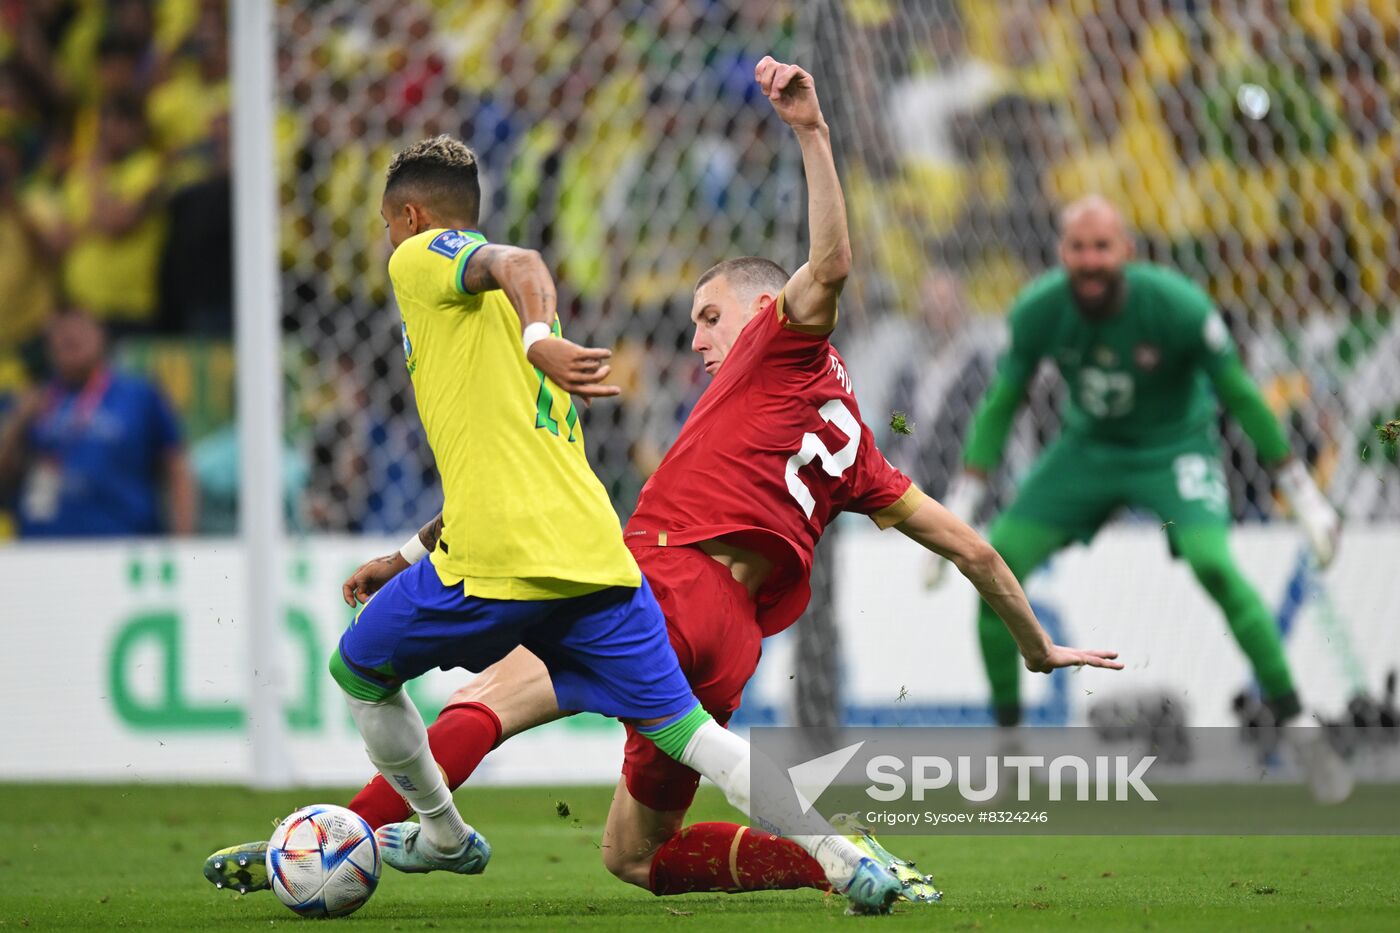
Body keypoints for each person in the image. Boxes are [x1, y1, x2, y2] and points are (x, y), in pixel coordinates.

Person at [204, 59, 1121, 906]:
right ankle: (838, 862)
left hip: (657, 579)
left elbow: (831, 265)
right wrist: (1038, 649)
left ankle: (341, 835)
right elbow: (970, 545)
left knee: (479, 703)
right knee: (634, 856)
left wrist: (812, 134)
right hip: (726, 639)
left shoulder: (775, 345)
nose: (699, 338)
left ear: (765, 308)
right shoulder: (859, 452)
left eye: (709, 316)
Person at [210, 129, 913, 913]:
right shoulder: (499, 326)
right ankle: (841, 855)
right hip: (607, 562)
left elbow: (519, 262)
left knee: (374, 673)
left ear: (409, 218)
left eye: (385, 227)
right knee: (679, 761)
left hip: (531, 558)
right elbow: (507, 456)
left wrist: (541, 337)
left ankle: (403, 833)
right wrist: (409, 550)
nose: (386, 242)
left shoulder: (431, 267)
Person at [936, 196, 1341, 737]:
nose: (1090, 260)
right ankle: (1009, 745)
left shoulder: (1176, 305)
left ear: (1126, 250)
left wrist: (1304, 496)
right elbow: (1002, 401)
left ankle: (1295, 721)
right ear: (1062, 254)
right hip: (1087, 450)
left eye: (1102, 247)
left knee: (1214, 565)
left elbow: (1241, 395)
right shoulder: (1039, 309)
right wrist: (961, 503)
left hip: (1173, 448)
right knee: (993, 568)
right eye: (1078, 248)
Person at [0, 307, 195, 537]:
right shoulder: (27, 401)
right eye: (60, 331)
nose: (69, 336)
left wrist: (185, 545)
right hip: (42, 552)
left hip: (123, 548)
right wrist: (17, 423)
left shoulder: (139, 395)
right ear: (47, 344)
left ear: (101, 335)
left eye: (79, 328)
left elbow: (176, 467)